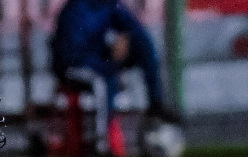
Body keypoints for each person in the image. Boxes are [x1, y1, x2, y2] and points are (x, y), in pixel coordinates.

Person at [51, 0, 179, 136]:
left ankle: (155, 105)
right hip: (73, 67)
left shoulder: (109, 5)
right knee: (103, 80)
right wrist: (106, 65)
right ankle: (102, 142)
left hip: (99, 60)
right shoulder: (75, 10)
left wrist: (124, 38)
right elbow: (70, 54)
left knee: (143, 43)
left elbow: (132, 27)